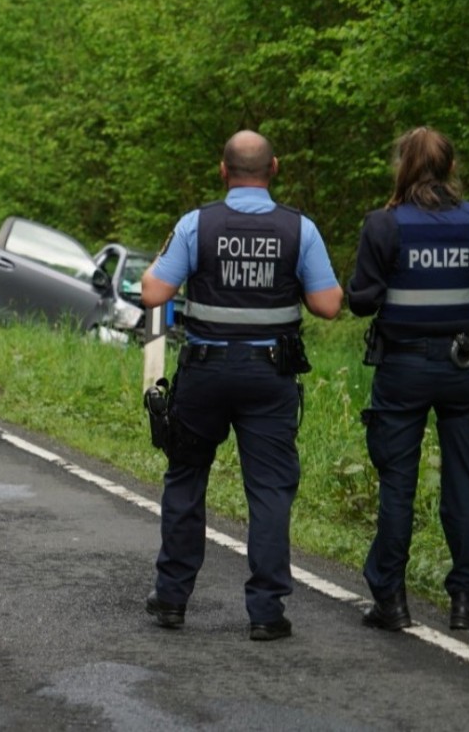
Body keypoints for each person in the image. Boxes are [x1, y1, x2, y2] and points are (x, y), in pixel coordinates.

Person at [141, 130, 342, 641]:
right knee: (270, 491)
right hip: (269, 376)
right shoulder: (300, 229)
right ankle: (266, 612)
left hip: (205, 374)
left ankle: (171, 600)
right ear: (274, 169)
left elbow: (153, 293)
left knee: (186, 480)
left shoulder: (196, 224)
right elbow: (329, 305)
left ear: (223, 171)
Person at [347, 127, 469, 632]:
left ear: (404, 166)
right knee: (464, 484)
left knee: (398, 483)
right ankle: (466, 600)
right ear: (450, 168)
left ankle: (391, 601)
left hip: (402, 370)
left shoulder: (383, 224)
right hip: (466, 369)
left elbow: (360, 301)